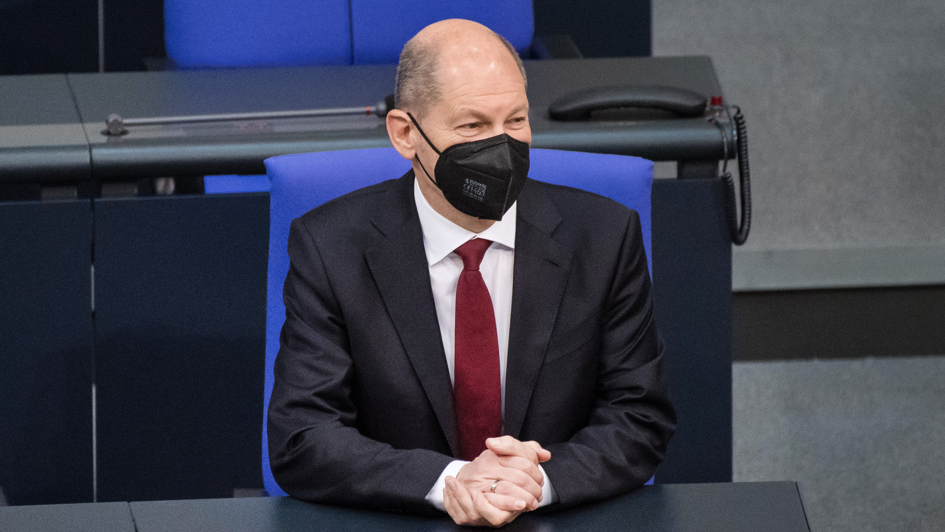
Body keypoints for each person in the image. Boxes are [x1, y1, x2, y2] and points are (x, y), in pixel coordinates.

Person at [267, 18, 676, 527]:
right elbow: (303, 435)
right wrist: (451, 484)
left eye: (516, 120)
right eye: (472, 127)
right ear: (405, 134)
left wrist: (537, 483)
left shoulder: (604, 236)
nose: (501, 147)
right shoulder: (331, 246)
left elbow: (639, 416)